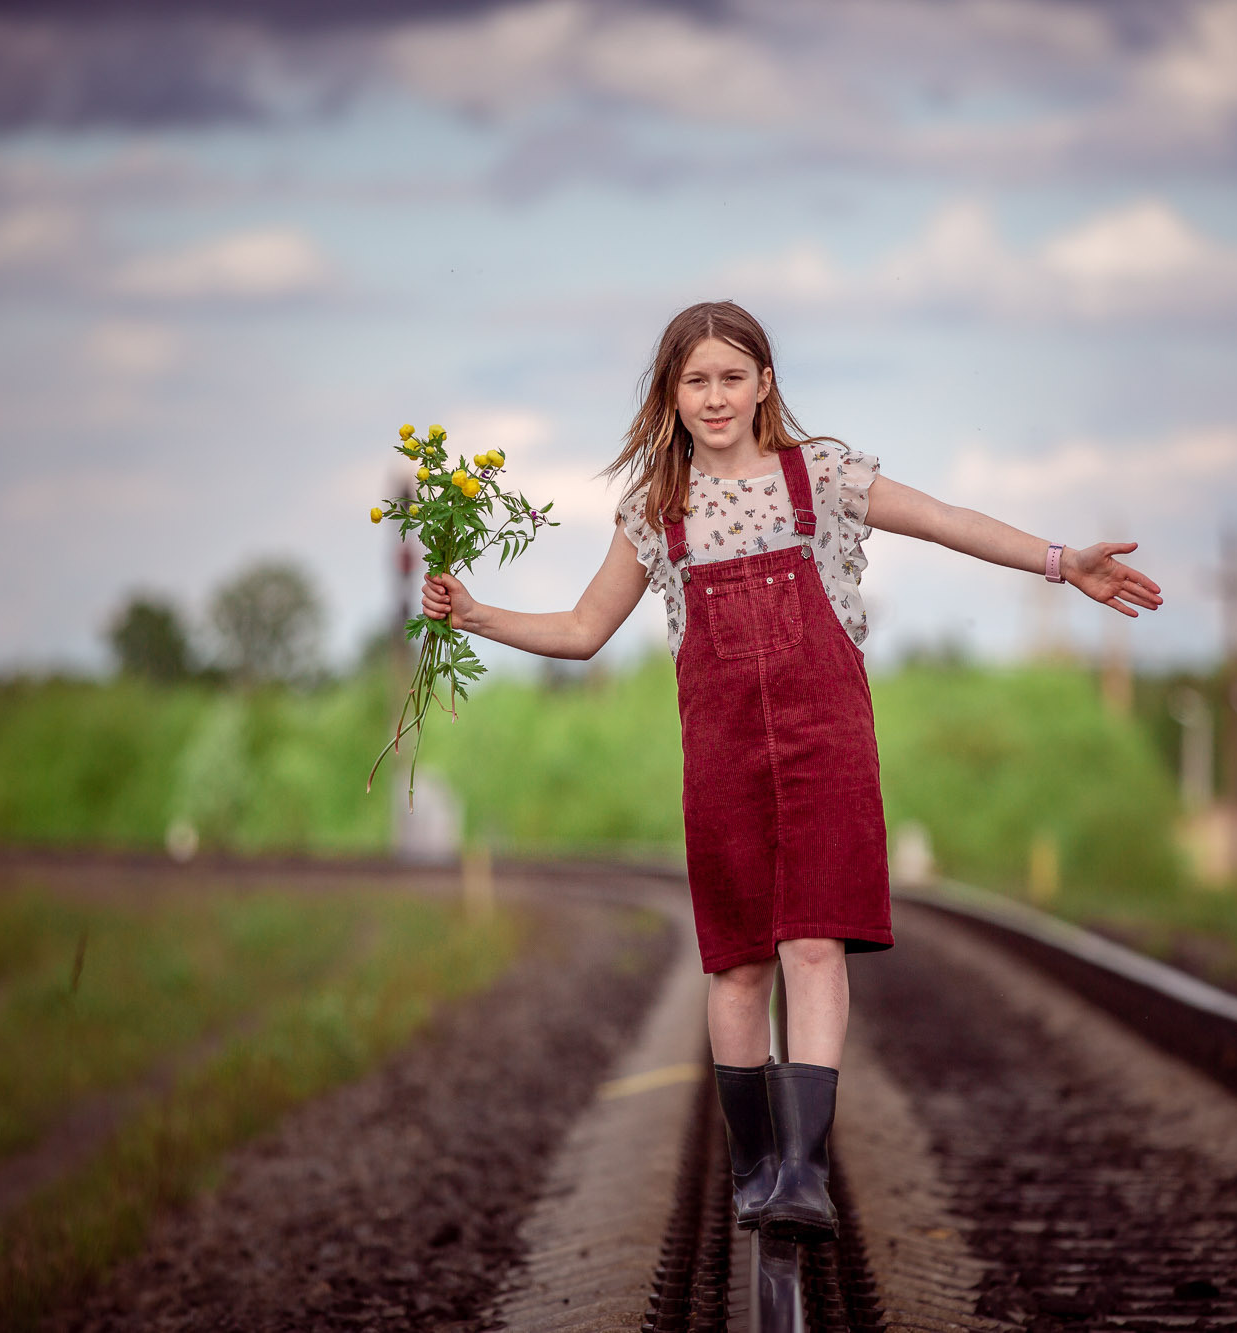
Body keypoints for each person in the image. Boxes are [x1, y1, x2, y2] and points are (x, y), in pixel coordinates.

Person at [421, 300, 1162, 1241]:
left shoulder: (825, 475)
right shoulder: (659, 507)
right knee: (737, 964)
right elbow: (580, 630)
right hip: (724, 753)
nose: (716, 396)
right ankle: (754, 1166)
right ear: (672, 395)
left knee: (815, 943)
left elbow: (944, 521)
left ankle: (805, 1170)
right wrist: (477, 615)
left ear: (765, 383)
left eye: (734, 376)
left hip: (826, 740)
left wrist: (1062, 562)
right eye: (697, 381)